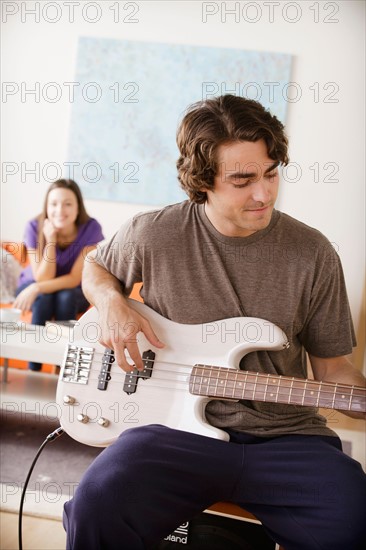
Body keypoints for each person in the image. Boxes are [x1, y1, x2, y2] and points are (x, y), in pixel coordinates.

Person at [63, 96, 366, 549]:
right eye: (243, 180)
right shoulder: (155, 233)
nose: (263, 193)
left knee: (355, 520)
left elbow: (332, 370)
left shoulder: (314, 253)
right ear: (202, 181)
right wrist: (110, 302)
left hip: (286, 440)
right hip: (172, 436)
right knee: (96, 505)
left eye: (270, 173)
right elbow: (96, 267)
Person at [14, 178, 104, 371]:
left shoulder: (91, 229)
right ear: (46, 206)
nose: (60, 210)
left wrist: (37, 288)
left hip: (69, 291)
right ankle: (34, 368)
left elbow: (73, 279)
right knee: (44, 298)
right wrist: (51, 240)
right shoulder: (33, 227)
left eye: (68, 204)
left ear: (78, 207)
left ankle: (63, 370)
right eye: (53, 204)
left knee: (66, 295)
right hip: (32, 286)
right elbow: (42, 277)